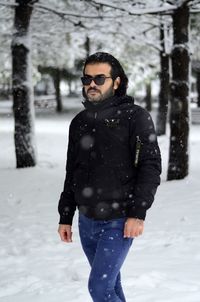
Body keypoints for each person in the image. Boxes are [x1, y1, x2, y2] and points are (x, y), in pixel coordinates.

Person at [58, 52, 161, 302]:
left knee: (99, 288)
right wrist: (66, 215)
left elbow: (150, 166)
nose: (91, 84)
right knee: (111, 286)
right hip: (86, 221)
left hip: (119, 219)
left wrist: (138, 213)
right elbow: (73, 171)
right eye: (87, 78)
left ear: (116, 82)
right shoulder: (79, 122)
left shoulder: (135, 117)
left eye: (99, 78)